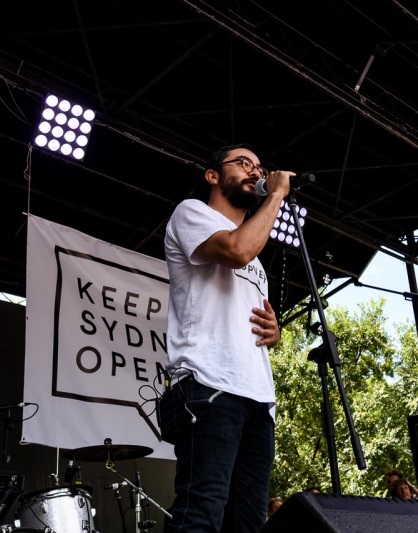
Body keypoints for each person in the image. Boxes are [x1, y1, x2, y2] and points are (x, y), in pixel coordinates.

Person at [158, 144, 292, 533]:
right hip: (208, 384)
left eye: (259, 166)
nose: (255, 171)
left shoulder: (258, 262)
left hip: (258, 398)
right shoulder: (191, 213)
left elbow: (247, 311)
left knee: (247, 524)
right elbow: (235, 250)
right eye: (243, 163)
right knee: (200, 515)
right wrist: (278, 194)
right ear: (213, 175)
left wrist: (275, 332)